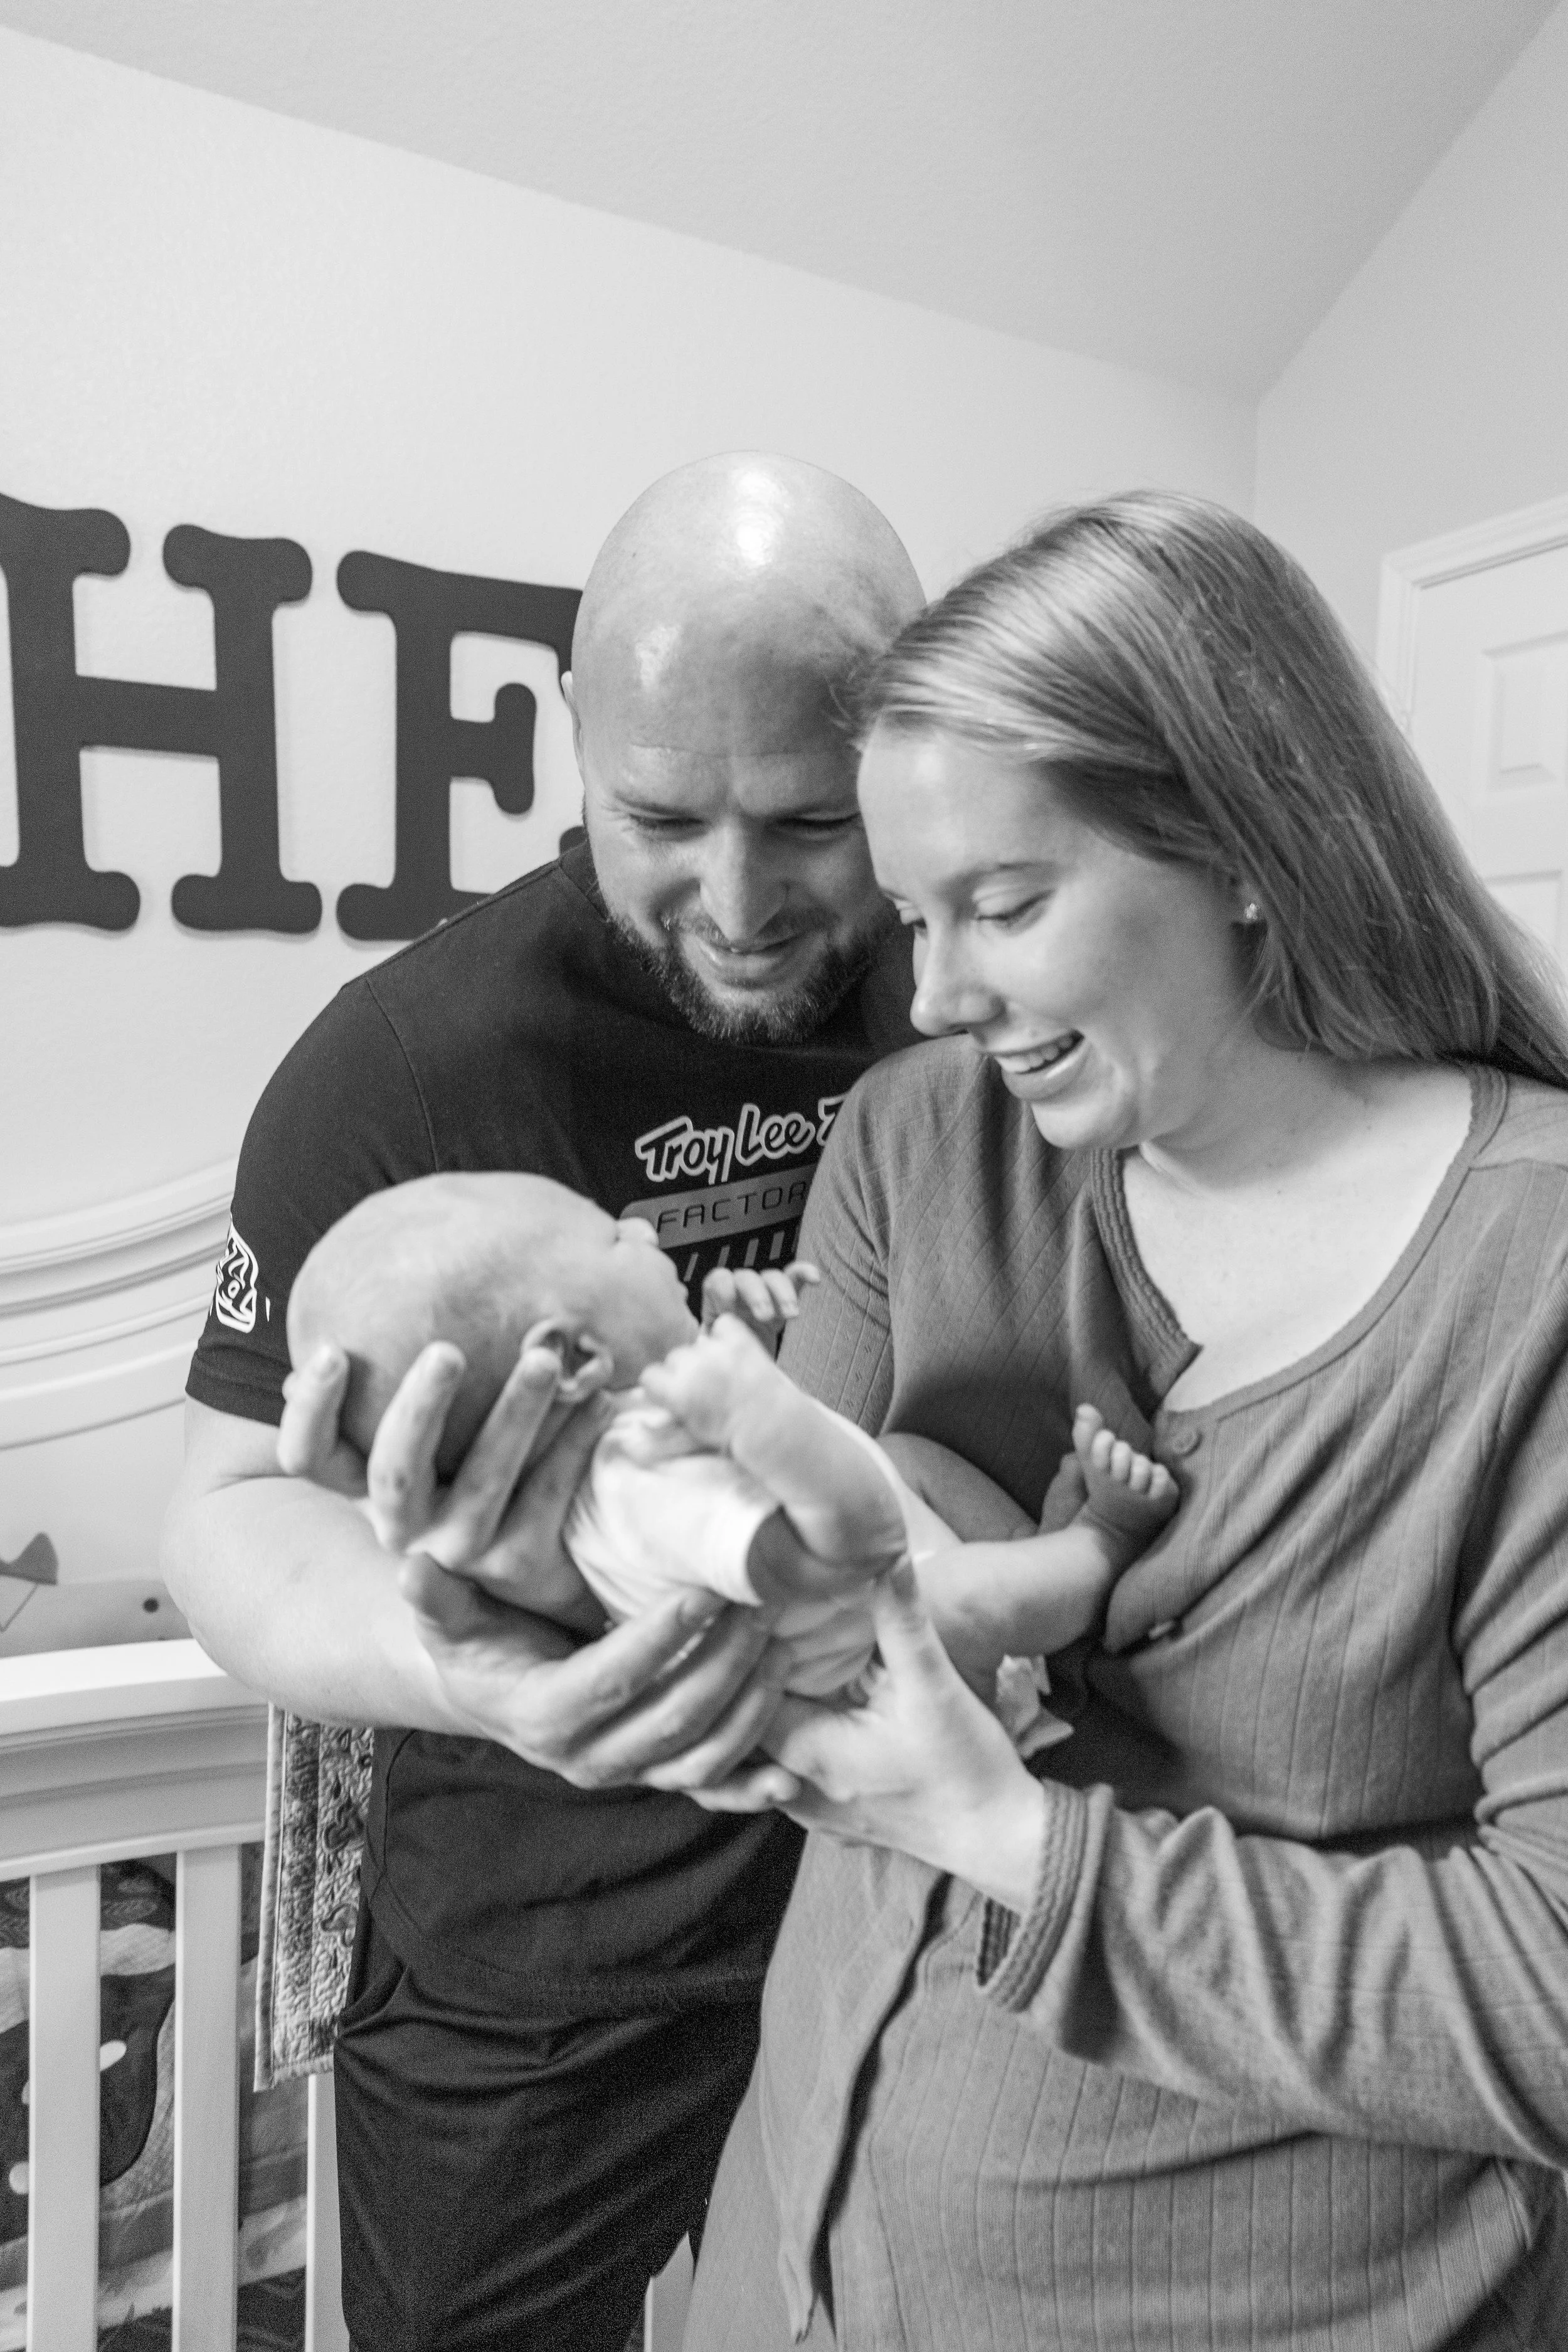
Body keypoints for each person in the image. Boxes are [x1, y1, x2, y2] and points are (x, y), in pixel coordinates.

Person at [682, 492, 1568, 2351]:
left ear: (1247, 841)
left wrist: (1014, 1837)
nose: (931, 991)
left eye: (1004, 904)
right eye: (916, 916)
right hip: (823, 2245)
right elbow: (779, 1635)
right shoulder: (916, 1148)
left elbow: (1545, 1993)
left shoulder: (1531, 1274)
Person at [162, 452, 931, 2352]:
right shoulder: (403, 1059)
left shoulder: (980, 982)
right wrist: (470, 1675)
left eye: (814, 821)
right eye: (660, 814)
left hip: (892, 1900)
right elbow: (229, 1509)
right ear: (567, 737)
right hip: (532, 1978)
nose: (741, 901)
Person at [287, 1168, 1180, 1695]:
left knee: (907, 1457)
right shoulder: (639, 1486)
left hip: (897, 1600)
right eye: (612, 1242)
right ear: (573, 1355)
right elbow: (797, 1563)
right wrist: (766, 1411)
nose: (641, 1227)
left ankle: (1032, 1550)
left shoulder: (633, 1428)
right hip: (915, 1677)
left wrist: (736, 1341)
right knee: (952, 1597)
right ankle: (1096, 1551)